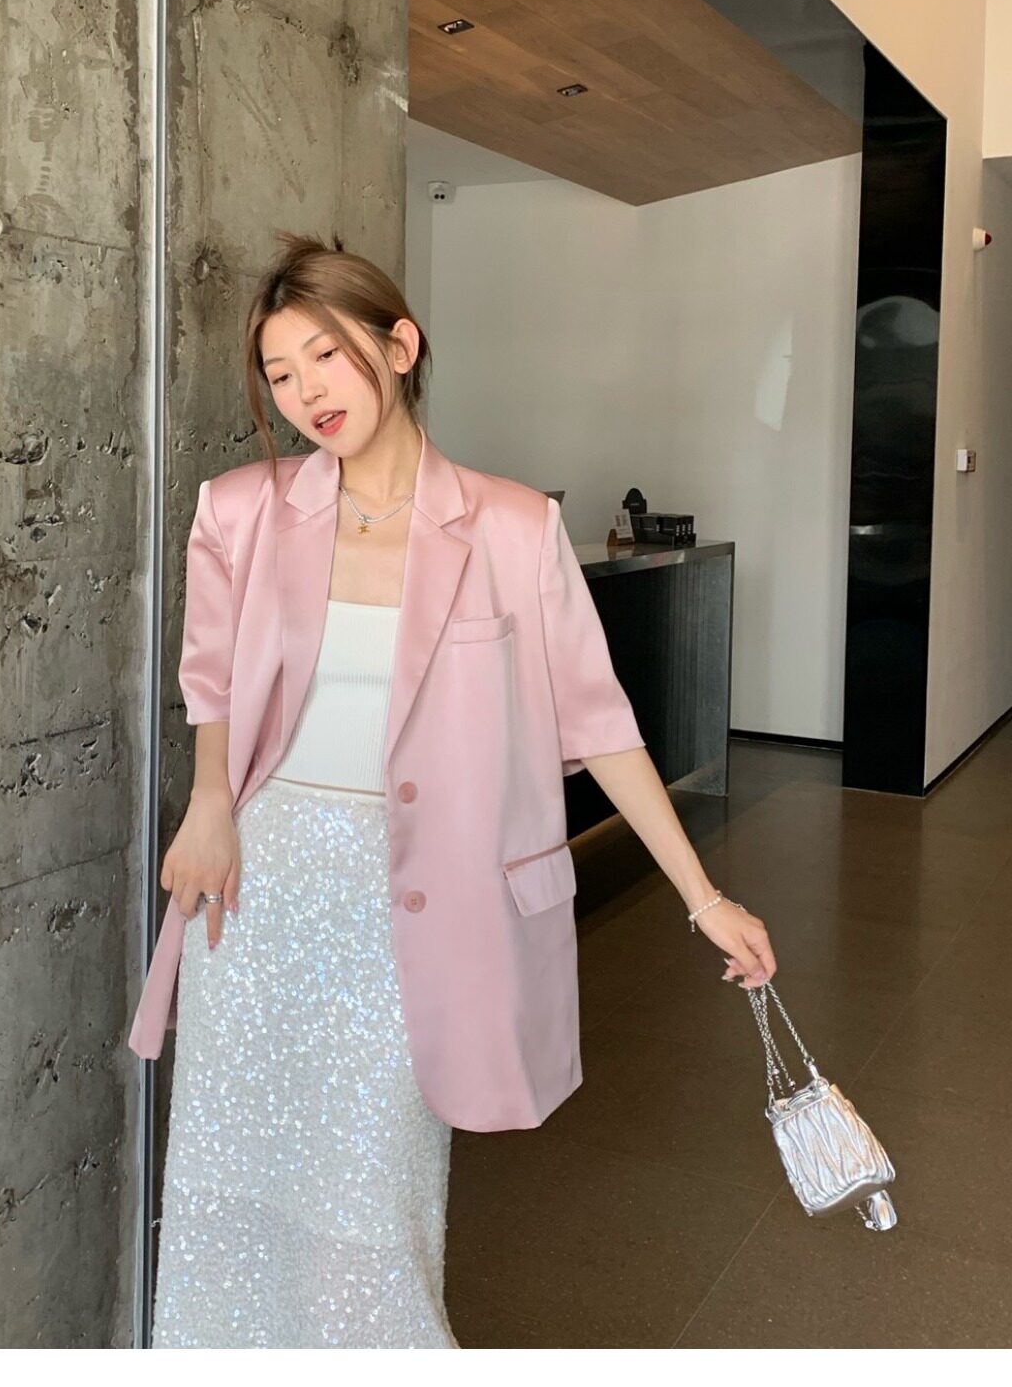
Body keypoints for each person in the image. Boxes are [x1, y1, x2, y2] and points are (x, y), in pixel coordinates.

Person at [136, 232, 777, 1348]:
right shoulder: (239, 510)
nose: (305, 393)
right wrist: (208, 806)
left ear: (399, 345)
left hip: (407, 909)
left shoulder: (512, 527)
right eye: (280, 375)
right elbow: (211, 680)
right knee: (228, 1183)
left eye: (326, 356)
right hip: (258, 890)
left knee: (372, 1200)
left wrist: (702, 896)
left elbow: (599, 725)